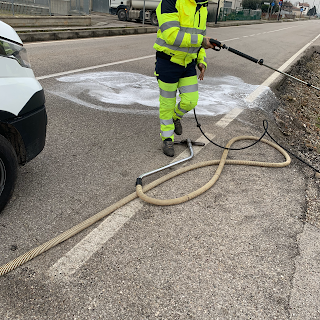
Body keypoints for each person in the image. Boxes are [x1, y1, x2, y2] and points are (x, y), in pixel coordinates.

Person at [154, 0, 215, 157]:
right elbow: (172, 36)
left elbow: (201, 38)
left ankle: (175, 117)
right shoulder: (170, 2)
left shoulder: (202, 7)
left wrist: (202, 60)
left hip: (188, 63)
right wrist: (202, 41)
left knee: (191, 100)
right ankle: (167, 138)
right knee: (167, 104)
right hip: (168, 61)